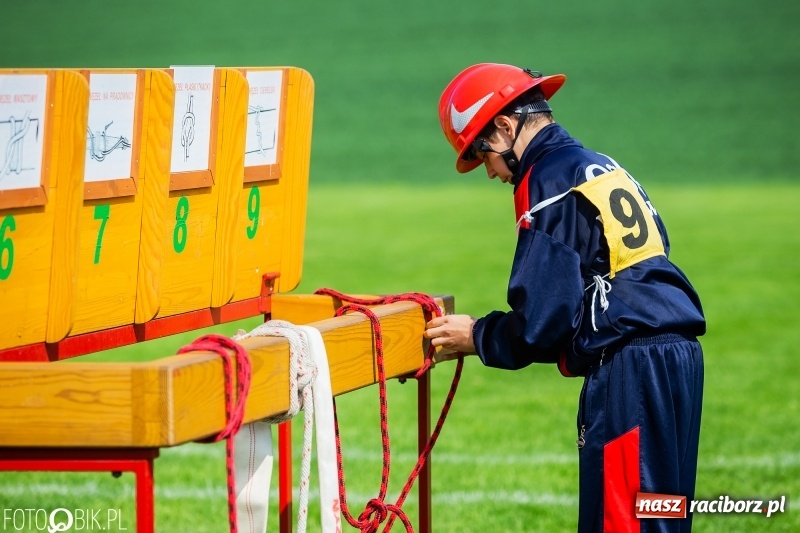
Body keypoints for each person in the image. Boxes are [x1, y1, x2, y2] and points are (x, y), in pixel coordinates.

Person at [424, 63, 706, 532]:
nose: (489, 172)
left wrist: (478, 335)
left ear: (505, 126)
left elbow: (544, 318)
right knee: (662, 517)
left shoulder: (545, 179)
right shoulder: (602, 166)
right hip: (679, 357)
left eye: (482, 152)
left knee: (623, 522)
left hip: (630, 369)